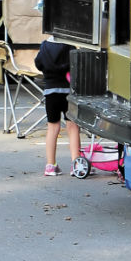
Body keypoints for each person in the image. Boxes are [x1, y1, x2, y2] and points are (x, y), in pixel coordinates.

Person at [34, 37, 88, 178]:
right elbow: (76, 65)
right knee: (73, 127)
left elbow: (38, 63)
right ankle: (76, 164)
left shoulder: (44, 46)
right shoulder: (69, 45)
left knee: (53, 128)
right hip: (68, 92)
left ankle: (50, 165)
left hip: (50, 92)